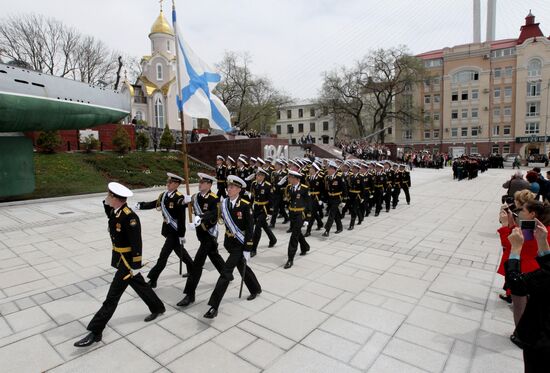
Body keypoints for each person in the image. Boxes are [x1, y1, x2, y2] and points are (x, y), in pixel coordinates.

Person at [74, 183, 165, 347]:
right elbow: (110, 213)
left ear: (116, 199)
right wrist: (107, 200)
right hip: (120, 258)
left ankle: (95, 332)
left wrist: (135, 265)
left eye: (110, 196)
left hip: (127, 262)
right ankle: (158, 307)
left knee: (112, 298)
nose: (107, 198)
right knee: (140, 285)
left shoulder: (130, 218)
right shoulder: (116, 212)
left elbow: (137, 243)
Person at [204, 175, 262, 319]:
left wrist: (248, 248)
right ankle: (255, 288)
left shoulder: (244, 205)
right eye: (228, 187)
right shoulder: (224, 203)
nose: (229, 189)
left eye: (232, 187)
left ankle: (214, 306)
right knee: (242, 266)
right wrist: (201, 217)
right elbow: (214, 213)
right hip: (229, 243)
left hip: (240, 244)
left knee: (226, 272)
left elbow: (250, 228)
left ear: (239, 190)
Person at [505, 216, 550, 372]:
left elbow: (516, 283)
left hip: (541, 341)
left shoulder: (544, 278)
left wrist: (516, 249)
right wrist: (543, 244)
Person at [135, 173, 193, 288]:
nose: (168, 184)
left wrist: (182, 234)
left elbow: (181, 219)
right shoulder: (164, 195)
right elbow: (153, 203)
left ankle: (153, 279)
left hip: (175, 233)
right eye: (168, 181)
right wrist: (140, 206)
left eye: (170, 182)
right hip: (168, 230)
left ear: (176, 184)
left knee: (163, 256)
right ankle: (193, 268)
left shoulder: (179, 198)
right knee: (179, 251)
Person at [177, 173, 226, 308]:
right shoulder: (196, 197)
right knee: (214, 255)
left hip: (209, 235)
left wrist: (201, 219)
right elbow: (181, 205)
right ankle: (226, 273)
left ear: (209, 185)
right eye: (199, 182)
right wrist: (183, 201)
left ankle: (189, 295)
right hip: (201, 235)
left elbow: (214, 215)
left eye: (203, 182)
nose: (200, 184)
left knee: (197, 264)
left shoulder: (214, 199)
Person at [284, 170, 312, 269]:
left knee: (294, 236)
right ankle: (305, 247)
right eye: (289, 177)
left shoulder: (304, 188)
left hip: (301, 214)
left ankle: (290, 258)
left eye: (290, 178)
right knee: (298, 233)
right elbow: (288, 200)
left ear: (297, 179)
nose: (289, 179)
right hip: (292, 214)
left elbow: (309, 204)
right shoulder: (289, 188)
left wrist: (307, 219)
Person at [250, 169, 277, 256]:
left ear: (263, 176)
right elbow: (252, 197)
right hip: (256, 208)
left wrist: (270, 213)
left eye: (259, 175)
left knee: (258, 228)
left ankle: (253, 249)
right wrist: (250, 206)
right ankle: (273, 239)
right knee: (264, 225)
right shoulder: (254, 184)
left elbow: (272, 200)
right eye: (257, 175)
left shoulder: (268, 186)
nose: (257, 177)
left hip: (264, 209)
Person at [322, 161, 346, 237]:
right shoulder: (327, 177)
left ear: (333, 169)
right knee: (336, 214)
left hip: (337, 198)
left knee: (331, 214)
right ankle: (340, 227)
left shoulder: (339, 176)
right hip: (330, 198)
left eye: (329, 168)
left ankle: (327, 230)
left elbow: (344, 189)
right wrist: (325, 200)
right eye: (328, 168)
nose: (327, 170)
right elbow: (326, 190)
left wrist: (344, 200)